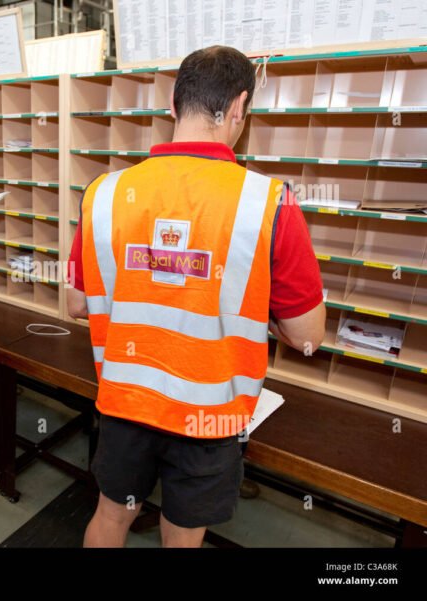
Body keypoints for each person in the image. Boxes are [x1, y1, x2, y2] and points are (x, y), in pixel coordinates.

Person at [67, 46, 326, 548]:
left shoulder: (104, 193)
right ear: (238, 108)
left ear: (172, 105)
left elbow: (79, 304)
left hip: (125, 401)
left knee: (110, 515)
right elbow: (307, 336)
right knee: (183, 535)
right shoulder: (272, 203)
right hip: (211, 414)